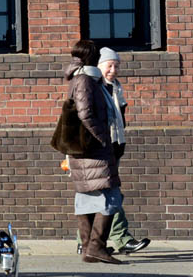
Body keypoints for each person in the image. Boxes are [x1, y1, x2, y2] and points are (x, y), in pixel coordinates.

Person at [64, 39, 125, 264]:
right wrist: (102, 138)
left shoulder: (87, 78)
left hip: (88, 150)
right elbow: (85, 114)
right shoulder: (85, 80)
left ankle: (90, 247)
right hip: (92, 150)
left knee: (89, 198)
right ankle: (96, 246)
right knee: (110, 197)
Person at [98, 47, 151, 255]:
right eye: (109, 65)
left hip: (115, 147)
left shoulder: (115, 87)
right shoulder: (96, 88)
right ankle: (122, 238)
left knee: (99, 195)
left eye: (116, 65)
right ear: (98, 66)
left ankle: (86, 240)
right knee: (111, 195)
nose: (113, 69)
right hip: (102, 149)